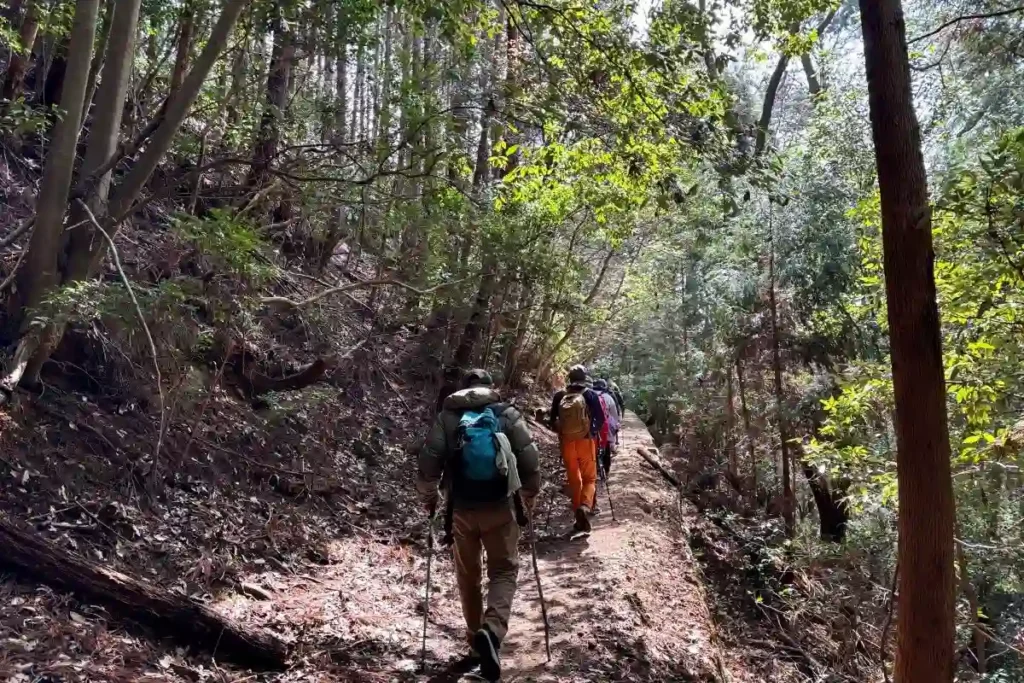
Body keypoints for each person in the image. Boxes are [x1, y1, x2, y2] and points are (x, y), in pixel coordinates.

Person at [417, 369, 540, 682]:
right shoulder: (506, 414)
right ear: (489, 388)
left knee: (468, 576)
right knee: (503, 569)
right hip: (500, 508)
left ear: (463, 390)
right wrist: (529, 495)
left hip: (461, 510)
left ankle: (475, 644)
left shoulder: (448, 418)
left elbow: (429, 460)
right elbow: (528, 458)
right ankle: (492, 630)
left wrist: (429, 498)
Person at [548, 365, 605, 533]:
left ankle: (578, 516)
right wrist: (591, 431)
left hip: (567, 443)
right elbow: (600, 419)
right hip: (586, 442)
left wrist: (563, 433)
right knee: (590, 479)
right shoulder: (590, 395)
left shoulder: (559, 396)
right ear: (584, 377)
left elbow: (552, 420)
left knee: (574, 480)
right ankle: (586, 506)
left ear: (569, 378)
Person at [594, 378, 620, 475]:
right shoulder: (609, 397)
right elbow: (614, 415)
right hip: (605, 425)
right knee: (606, 445)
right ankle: (606, 468)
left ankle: (594, 467)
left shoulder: (588, 394)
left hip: (591, 426)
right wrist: (617, 426)